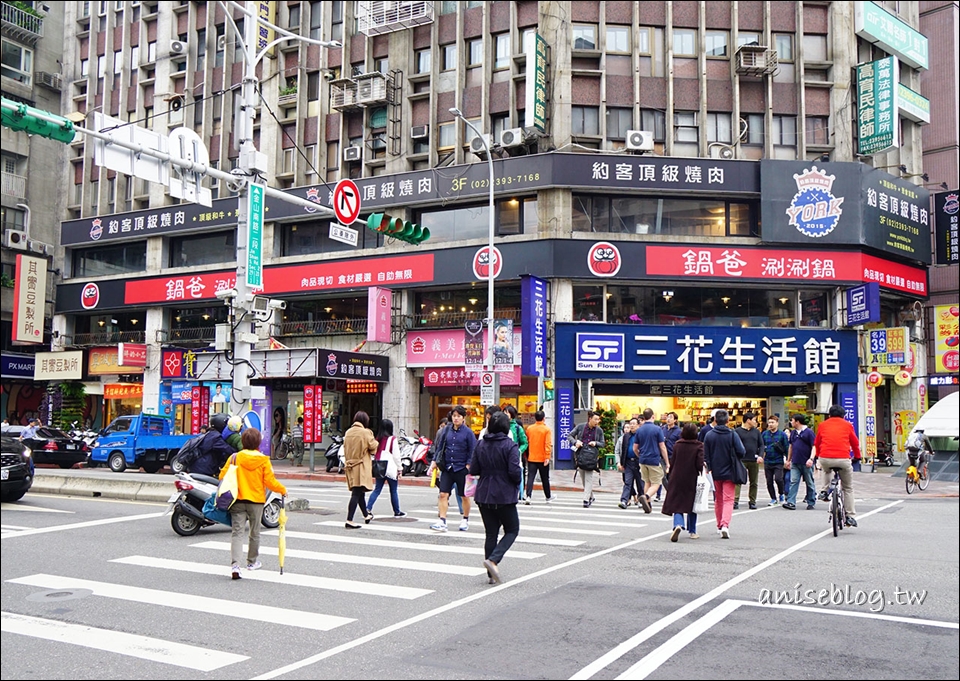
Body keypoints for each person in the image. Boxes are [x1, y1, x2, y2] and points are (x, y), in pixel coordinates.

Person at [219, 428, 287, 579]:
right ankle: (251, 562)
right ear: (258, 442)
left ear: (242, 441)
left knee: (237, 533)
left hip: (237, 500)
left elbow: (222, 476)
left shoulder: (235, 458)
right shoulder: (263, 460)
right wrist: (282, 490)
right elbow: (269, 481)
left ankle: (235, 565)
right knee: (254, 533)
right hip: (256, 501)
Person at [470, 411, 523, 584]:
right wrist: (515, 483)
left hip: (484, 493)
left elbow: (474, 470)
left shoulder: (481, 445)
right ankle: (493, 560)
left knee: (491, 532)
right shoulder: (510, 446)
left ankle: (490, 574)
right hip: (504, 494)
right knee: (512, 529)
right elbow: (515, 472)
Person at [431, 405, 477, 532]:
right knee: (443, 494)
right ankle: (442, 520)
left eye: (459, 416)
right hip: (447, 467)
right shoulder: (446, 430)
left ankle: (465, 519)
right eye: (454, 416)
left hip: (462, 468)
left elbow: (473, 450)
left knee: (464, 496)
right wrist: (434, 461)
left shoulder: (468, 433)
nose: (456, 418)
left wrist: (468, 465)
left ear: (463, 418)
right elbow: (440, 447)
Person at [814, 405, 861, 527]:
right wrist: (857, 456)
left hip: (825, 457)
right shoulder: (847, 425)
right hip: (843, 459)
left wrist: (818, 456)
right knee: (848, 488)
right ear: (843, 415)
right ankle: (850, 516)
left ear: (829, 415)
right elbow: (855, 443)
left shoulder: (822, 425)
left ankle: (824, 491)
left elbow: (817, 443)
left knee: (826, 470)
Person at [703, 409, 745, 539]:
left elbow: (706, 455)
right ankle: (725, 524)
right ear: (727, 421)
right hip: (730, 471)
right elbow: (741, 451)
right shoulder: (732, 435)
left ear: (715, 420)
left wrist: (709, 467)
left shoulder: (709, 435)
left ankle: (719, 525)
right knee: (728, 499)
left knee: (718, 500)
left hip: (715, 471)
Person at [662, 422, 705, 541]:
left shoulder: (677, 445)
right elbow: (699, 464)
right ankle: (692, 531)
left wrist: (670, 475)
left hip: (677, 477)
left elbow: (673, 461)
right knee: (692, 505)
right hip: (692, 478)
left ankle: (678, 525)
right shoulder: (699, 446)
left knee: (677, 503)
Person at [343, 411, 378, 529]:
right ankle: (349, 519)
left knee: (359, 491)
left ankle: (366, 515)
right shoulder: (365, 432)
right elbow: (373, 447)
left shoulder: (348, 432)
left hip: (350, 465)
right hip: (360, 466)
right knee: (356, 492)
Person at [633, 408, 669, 514]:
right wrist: (667, 462)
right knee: (656, 482)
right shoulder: (657, 429)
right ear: (653, 416)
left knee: (647, 481)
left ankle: (647, 504)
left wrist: (639, 456)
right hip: (653, 459)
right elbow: (662, 447)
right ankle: (646, 496)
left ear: (643, 417)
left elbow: (635, 448)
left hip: (643, 459)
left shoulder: (639, 430)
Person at [368, 418, 406, 518]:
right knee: (393, 490)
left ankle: (368, 508)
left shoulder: (377, 439)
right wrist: (400, 468)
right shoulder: (392, 439)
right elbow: (396, 456)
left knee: (377, 490)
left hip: (379, 467)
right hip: (390, 468)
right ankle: (397, 511)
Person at [568, 410, 604, 508]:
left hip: (591, 458)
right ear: (590, 419)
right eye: (595, 419)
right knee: (583, 478)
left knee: (589, 478)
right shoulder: (580, 427)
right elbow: (570, 435)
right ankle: (591, 496)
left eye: (598, 420)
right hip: (580, 456)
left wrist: (595, 443)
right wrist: (575, 442)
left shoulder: (599, 430)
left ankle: (585, 499)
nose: (597, 422)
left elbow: (602, 443)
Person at [782, 413, 817, 511]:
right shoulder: (793, 433)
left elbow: (814, 446)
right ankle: (791, 502)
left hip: (806, 462)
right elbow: (791, 446)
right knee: (793, 481)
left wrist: (811, 459)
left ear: (797, 421)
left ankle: (811, 501)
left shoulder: (809, 432)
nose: (791, 422)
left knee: (809, 482)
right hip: (795, 462)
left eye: (792, 420)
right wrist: (788, 460)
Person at [190, 413, 237, 478]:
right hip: (203, 470)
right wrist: (240, 452)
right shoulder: (216, 438)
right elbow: (228, 449)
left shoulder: (210, 433)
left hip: (198, 467)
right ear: (222, 425)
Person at [733, 412, 764, 510]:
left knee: (754, 481)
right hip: (741, 459)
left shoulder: (756, 432)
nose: (756, 422)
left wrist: (760, 455)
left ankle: (752, 501)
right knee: (738, 480)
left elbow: (761, 445)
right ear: (748, 420)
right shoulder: (737, 431)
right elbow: (733, 445)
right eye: (754, 420)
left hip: (753, 459)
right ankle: (735, 500)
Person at [524, 410, 555, 503]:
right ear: (544, 418)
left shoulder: (529, 429)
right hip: (542, 458)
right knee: (545, 478)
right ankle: (548, 496)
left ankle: (528, 496)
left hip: (532, 457)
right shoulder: (546, 429)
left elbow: (527, 442)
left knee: (530, 477)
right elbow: (547, 444)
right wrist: (547, 457)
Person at [761, 415, 789, 506]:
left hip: (778, 461)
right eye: (769, 422)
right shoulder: (765, 434)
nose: (771, 424)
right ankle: (773, 498)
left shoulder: (782, 435)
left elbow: (786, 448)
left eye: (772, 422)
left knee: (778, 479)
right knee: (769, 481)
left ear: (777, 423)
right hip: (767, 461)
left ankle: (781, 494)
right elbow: (761, 446)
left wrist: (788, 460)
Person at [504, 405, 528, 501]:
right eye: (504, 413)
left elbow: (524, 443)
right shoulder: (500, 426)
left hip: (515, 456)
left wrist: (519, 451)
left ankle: (519, 494)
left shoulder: (517, 428)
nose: (505, 415)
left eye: (507, 413)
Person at [617, 417, 641, 509]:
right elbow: (624, 450)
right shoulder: (626, 436)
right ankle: (624, 500)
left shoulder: (640, 435)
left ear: (638, 425)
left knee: (640, 483)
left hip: (638, 462)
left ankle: (640, 500)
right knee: (627, 482)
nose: (631, 425)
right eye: (630, 423)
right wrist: (622, 463)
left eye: (634, 424)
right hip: (628, 462)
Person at [659, 412, 682, 502]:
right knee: (663, 476)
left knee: (672, 477)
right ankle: (671, 493)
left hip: (673, 456)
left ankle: (673, 494)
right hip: (663, 457)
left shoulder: (678, 431)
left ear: (675, 420)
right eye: (667, 417)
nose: (668, 419)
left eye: (671, 417)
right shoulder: (662, 429)